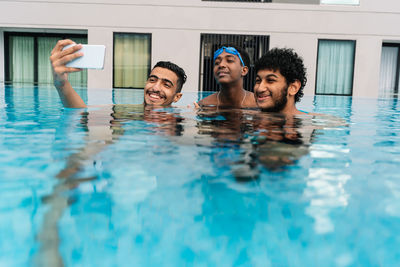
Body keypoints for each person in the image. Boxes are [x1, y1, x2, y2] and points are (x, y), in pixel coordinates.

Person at [50, 39, 186, 108]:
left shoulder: (183, 117)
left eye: (166, 85)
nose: (155, 88)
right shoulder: (124, 111)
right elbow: (80, 111)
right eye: (152, 80)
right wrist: (61, 83)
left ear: (177, 97)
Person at [253, 47, 309, 115]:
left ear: (293, 87)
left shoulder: (310, 124)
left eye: (270, 80)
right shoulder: (247, 116)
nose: (260, 89)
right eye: (258, 81)